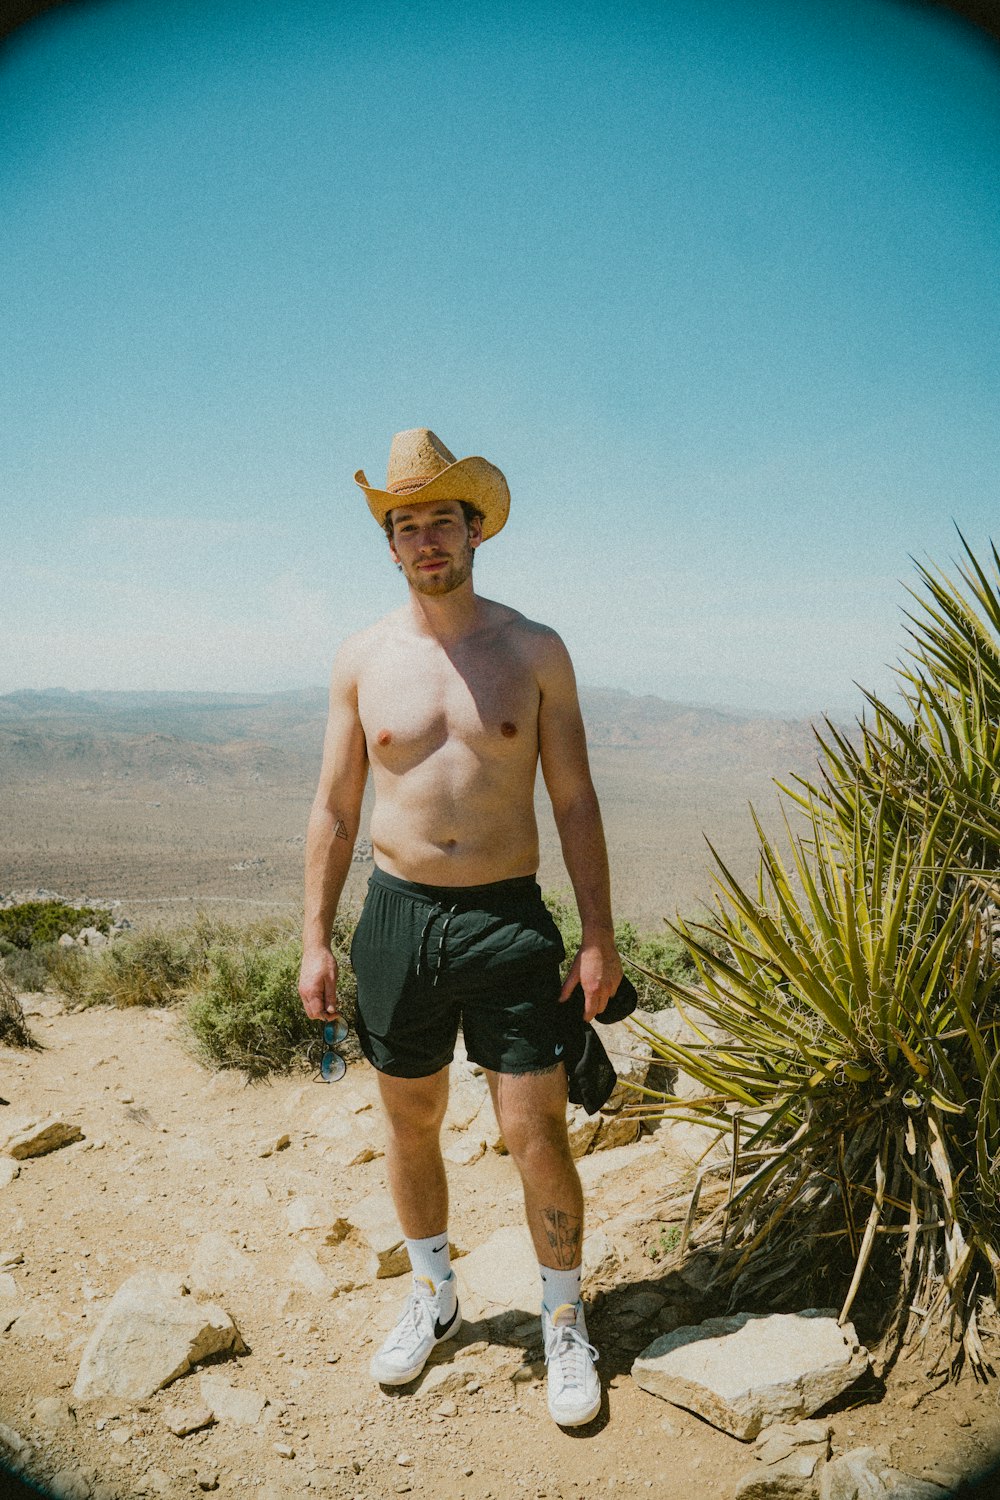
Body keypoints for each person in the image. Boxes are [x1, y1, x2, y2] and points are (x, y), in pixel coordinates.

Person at [298, 427, 623, 1428]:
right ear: (388, 545)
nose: (426, 537)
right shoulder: (361, 657)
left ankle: (563, 1322)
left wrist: (597, 935)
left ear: (475, 530)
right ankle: (434, 1298)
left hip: (505, 921)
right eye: (407, 524)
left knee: (534, 1133)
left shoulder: (532, 650)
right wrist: (314, 934)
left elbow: (573, 800)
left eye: (443, 518)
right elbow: (336, 806)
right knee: (409, 1122)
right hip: (396, 921)